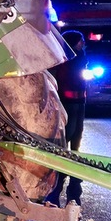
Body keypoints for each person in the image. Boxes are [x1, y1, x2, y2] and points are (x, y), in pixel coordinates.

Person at [47, 29, 88, 206]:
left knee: (75, 144)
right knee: (66, 143)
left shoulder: (81, 57)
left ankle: (73, 188)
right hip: (67, 103)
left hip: (80, 103)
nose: (83, 43)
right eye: (80, 40)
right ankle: (55, 190)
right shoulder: (65, 59)